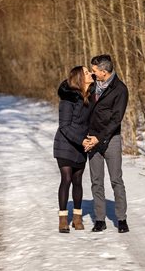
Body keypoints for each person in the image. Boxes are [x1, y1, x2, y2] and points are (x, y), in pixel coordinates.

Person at [84, 54, 129, 233]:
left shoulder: (120, 89)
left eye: (95, 71)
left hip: (111, 139)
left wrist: (99, 138)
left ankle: (122, 219)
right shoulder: (91, 85)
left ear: (104, 72)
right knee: (96, 181)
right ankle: (100, 219)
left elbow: (116, 119)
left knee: (116, 179)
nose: (93, 73)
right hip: (91, 138)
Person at [53, 66, 94, 233]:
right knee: (67, 178)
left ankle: (77, 217)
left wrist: (90, 138)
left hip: (81, 145)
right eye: (86, 72)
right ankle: (63, 219)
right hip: (65, 144)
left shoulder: (90, 97)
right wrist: (82, 140)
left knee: (78, 180)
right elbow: (64, 126)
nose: (90, 73)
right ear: (79, 78)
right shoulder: (67, 99)